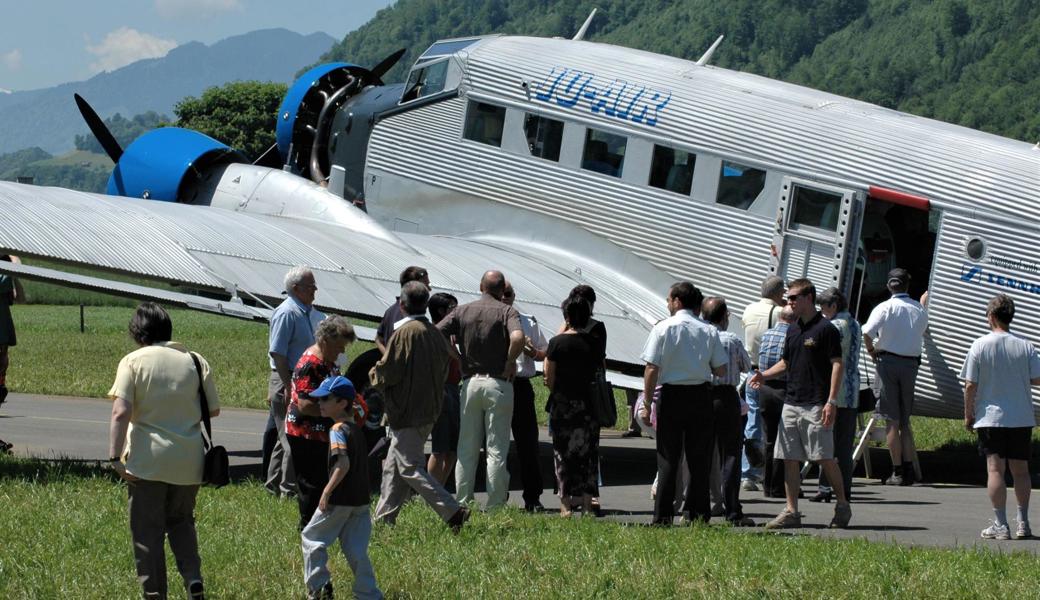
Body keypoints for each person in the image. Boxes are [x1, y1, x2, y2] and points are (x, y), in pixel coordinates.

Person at [107, 303, 219, 600]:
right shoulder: (195, 360)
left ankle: (154, 593)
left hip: (146, 462)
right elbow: (214, 410)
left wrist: (113, 457)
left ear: (138, 332)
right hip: (189, 461)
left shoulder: (132, 361)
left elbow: (120, 412)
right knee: (182, 522)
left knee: (147, 533)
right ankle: (193, 578)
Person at [751, 279, 851, 530]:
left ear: (809, 298)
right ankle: (791, 511)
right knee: (789, 458)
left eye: (794, 298)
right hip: (791, 402)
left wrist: (831, 401)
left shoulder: (826, 329)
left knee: (824, 457)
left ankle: (842, 505)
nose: (789, 302)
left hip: (816, 403)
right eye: (788, 298)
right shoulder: (793, 329)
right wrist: (764, 375)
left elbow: (837, 364)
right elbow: (786, 362)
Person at [370, 282, 469, 531]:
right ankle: (383, 520)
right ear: (425, 305)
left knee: (409, 467)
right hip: (428, 408)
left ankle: (452, 510)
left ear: (402, 304)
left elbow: (389, 370)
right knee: (394, 467)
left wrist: (374, 376)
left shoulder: (406, 333)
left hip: (407, 412)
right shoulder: (435, 334)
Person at [639, 282, 727, 525]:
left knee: (668, 457)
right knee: (699, 458)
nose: (667, 303)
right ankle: (697, 513)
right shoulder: (708, 330)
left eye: (669, 299)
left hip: (672, 396)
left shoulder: (663, 328)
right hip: (700, 395)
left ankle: (663, 515)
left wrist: (647, 403)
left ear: (677, 301)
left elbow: (651, 368)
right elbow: (720, 369)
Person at [437, 270, 524, 509]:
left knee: (467, 447)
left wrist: (454, 354)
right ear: (501, 290)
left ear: (480, 286)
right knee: (496, 449)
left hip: (471, 382)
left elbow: (436, 332)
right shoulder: (507, 311)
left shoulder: (463, 310)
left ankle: (463, 501)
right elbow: (517, 337)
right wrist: (509, 361)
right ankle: (495, 504)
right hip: (498, 383)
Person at [960, 294, 1040, 540]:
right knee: (1021, 471)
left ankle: (1000, 524)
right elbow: (1037, 379)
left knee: (995, 470)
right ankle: (1023, 522)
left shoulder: (980, 345)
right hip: (1021, 417)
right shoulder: (1026, 346)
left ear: (992, 317)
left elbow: (970, 385)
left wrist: (968, 414)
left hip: (991, 418)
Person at [301, 376, 382, 600]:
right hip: (360, 500)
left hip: (339, 500)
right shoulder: (355, 428)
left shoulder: (337, 429)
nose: (320, 403)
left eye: (326, 399)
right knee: (356, 550)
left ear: (343, 403)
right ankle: (369, 594)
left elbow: (343, 463)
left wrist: (326, 492)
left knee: (311, 538)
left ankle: (319, 588)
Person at [288, 315, 358, 531]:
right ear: (326, 341)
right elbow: (304, 405)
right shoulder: (311, 364)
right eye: (340, 347)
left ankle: (321, 526)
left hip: (321, 431)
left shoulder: (328, 360)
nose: (343, 352)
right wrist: (336, 412)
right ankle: (307, 528)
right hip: (306, 433)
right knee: (312, 484)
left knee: (323, 479)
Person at [863, 267, 928, 486]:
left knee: (892, 420)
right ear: (907, 285)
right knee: (905, 422)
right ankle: (909, 470)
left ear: (889, 285)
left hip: (887, 363)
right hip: (911, 365)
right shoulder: (918, 309)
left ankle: (897, 472)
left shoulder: (884, 307)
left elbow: (867, 333)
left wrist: (872, 351)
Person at [265, 266, 320, 498]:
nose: (315, 291)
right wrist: (289, 387)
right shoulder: (287, 313)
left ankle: (272, 485)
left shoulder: (306, 312)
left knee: (283, 435)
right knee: (291, 437)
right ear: (296, 289)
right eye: (310, 287)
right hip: (286, 378)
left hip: (297, 380)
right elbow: (278, 353)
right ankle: (289, 491)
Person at [544, 296, 601, 516]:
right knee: (588, 455)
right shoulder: (593, 343)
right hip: (587, 405)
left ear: (566, 316)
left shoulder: (557, 343)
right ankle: (587, 503)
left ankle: (565, 504)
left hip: (563, 404)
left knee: (562, 455)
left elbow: (549, 378)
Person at [702, 296, 754, 526]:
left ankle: (698, 506)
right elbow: (746, 365)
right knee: (730, 454)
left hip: (702, 395)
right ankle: (733, 509)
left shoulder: (699, 336)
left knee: (701, 453)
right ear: (724, 316)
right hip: (726, 396)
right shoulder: (731, 339)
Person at [559, 284, 607, 513]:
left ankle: (579, 496)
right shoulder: (576, 333)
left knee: (577, 449)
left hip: (577, 395)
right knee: (581, 448)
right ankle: (582, 496)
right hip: (581, 397)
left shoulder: (595, 330)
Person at [812, 288, 862, 503]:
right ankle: (845, 488)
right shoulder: (855, 324)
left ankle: (825, 488)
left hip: (834, 392)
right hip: (851, 391)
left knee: (827, 443)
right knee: (844, 445)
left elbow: (826, 357)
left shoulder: (834, 326)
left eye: (823, 307)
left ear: (832, 306)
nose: (822, 312)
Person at [503, 281, 549, 511]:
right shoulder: (485, 318)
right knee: (494, 443)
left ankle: (533, 496)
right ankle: (498, 494)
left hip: (520, 384)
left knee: (528, 444)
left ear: (514, 295)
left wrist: (533, 352)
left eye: (508, 294)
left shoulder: (527, 320)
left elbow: (544, 352)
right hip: (497, 382)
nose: (504, 298)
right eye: (500, 294)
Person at [739, 276, 785, 491]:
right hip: (771, 374)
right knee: (772, 424)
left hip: (751, 371)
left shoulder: (749, 309)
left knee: (753, 421)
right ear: (779, 293)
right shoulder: (779, 314)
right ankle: (770, 472)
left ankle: (748, 472)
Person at [757, 307, 796, 498]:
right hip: (783, 388)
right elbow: (788, 364)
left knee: (769, 438)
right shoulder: (793, 335)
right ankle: (779, 486)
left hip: (765, 389)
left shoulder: (767, 334)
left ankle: (767, 485)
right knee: (785, 439)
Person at [427, 292, 461, 485]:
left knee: (452, 449)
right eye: (452, 309)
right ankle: (431, 493)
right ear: (441, 311)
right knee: (439, 448)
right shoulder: (435, 333)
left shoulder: (452, 334)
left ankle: (439, 488)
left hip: (453, 390)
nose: (457, 312)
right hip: (441, 391)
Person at [374, 266, 429, 354]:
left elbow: (378, 339)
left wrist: (387, 359)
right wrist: (390, 361)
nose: (429, 289)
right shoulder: (406, 315)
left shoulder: (390, 311)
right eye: (425, 286)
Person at [0, 254, 24, 453]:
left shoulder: (6, 279)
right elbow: (16, 264)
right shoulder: (3, 277)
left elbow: (20, 297)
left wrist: (15, 276)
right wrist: (13, 260)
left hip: (2, 343)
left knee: (0, 390)